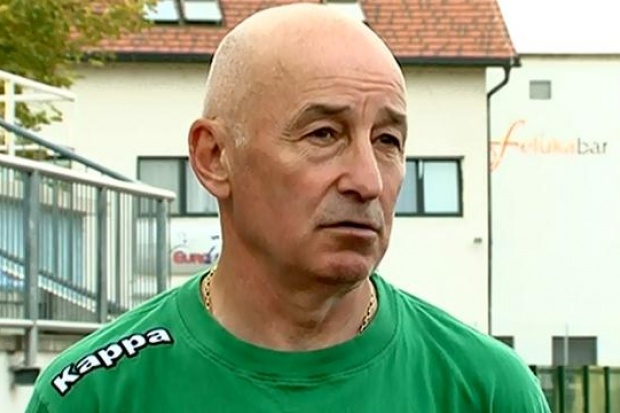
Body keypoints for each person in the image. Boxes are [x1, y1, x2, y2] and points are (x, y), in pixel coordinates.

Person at [26, 3, 551, 412]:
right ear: (215, 157)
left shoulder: (484, 390)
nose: (368, 181)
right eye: (324, 134)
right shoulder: (96, 395)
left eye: (387, 141)